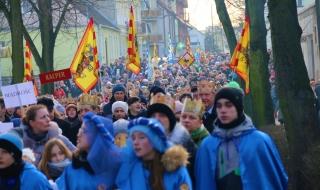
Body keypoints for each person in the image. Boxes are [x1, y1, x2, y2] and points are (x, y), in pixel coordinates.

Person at [195, 87, 288, 190]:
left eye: (228, 105)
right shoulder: (207, 146)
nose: (223, 110)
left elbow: (275, 180)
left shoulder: (260, 141)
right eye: (219, 106)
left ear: (238, 107)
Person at [116, 117, 192, 190]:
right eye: (133, 138)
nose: (135, 142)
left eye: (141, 137)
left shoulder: (174, 167)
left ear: (155, 140)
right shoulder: (129, 166)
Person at [56, 112, 121, 190]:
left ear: (97, 136)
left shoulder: (117, 168)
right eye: (80, 129)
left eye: (84, 131)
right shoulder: (73, 168)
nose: (78, 134)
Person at [9, 104, 76, 165]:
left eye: (47, 116)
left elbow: (77, 155)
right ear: (32, 123)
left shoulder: (58, 138)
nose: (48, 119)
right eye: (43, 117)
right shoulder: (19, 142)